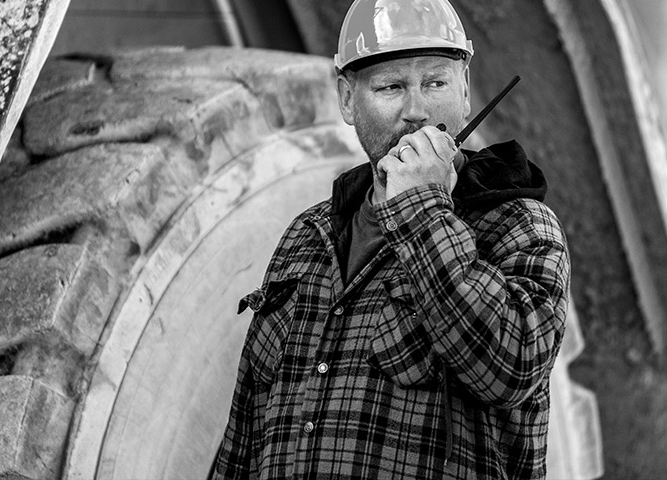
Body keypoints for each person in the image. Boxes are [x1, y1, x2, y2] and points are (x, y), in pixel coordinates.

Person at [212, 0, 570, 478]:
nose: (417, 111)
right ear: (346, 99)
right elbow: (244, 435)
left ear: (465, 91)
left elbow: (511, 370)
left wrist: (422, 207)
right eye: (391, 86)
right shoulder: (308, 235)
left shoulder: (521, 227)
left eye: (436, 83)